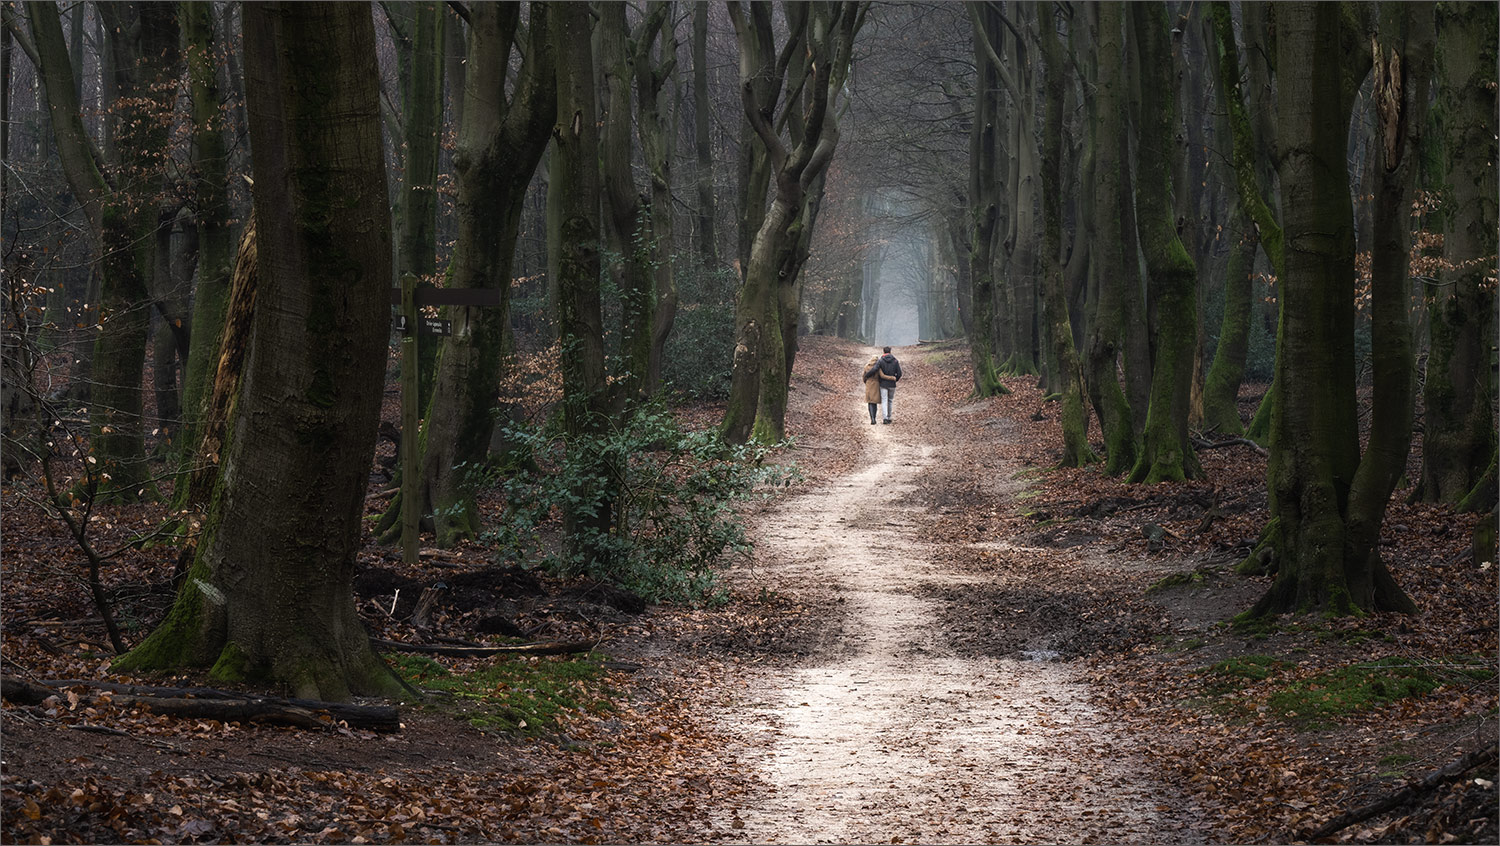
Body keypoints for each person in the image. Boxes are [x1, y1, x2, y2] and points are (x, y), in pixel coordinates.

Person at [875, 346, 901, 423]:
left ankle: (885, 417)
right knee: (890, 401)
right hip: (892, 384)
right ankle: (889, 417)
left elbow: (876, 370)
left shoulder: (880, 361)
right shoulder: (895, 361)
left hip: (883, 384)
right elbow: (899, 373)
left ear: (883, 352)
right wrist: (895, 379)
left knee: (884, 400)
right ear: (890, 351)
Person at [862, 354, 882, 424]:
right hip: (876, 384)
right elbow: (880, 376)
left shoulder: (867, 366)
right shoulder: (878, 367)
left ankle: (872, 418)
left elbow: (863, 376)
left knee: (870, 402)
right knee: (874, 402)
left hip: (868, 384)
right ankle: (874, 417)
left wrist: (866, 382)